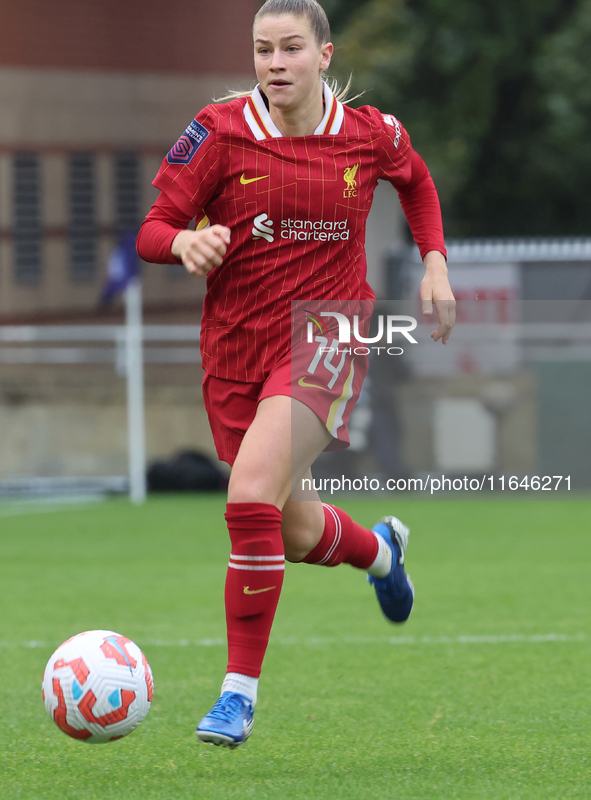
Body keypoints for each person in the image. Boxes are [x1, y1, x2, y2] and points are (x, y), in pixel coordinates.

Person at [137, 0, 456, 749]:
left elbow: (416, 182)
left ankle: (236, 695)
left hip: (326, 334)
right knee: (288, 526)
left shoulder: (368, 133)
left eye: (288, 48)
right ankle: (381, 552)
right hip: (235, 350)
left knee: (247, 495)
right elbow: (153, 227)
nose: (274, 63)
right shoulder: (216, 132)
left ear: (322, 54)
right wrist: (183, 244)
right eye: (261, 50)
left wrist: (434, 263)